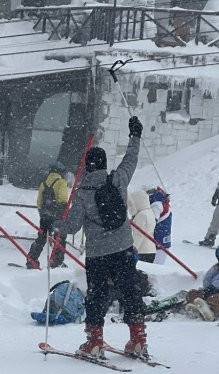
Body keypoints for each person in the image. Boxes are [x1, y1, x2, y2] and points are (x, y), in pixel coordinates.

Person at [57, 116, 147, 358]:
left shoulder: (83, 191)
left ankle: (95, 342)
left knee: (97, 295)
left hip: (98, 254)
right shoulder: (118, 180)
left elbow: (72, 226)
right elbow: (131, 160)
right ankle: (138, 338)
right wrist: (135, 135)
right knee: (130, 290)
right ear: (105, 165)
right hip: (124, 248)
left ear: (88, 166)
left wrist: (54, 225)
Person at [27, 162, 68, 268]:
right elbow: (63, 200)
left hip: (45, 216)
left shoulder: (43, 183)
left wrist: (43, 214)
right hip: (57, 217)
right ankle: (56, 262)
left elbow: (39, 202)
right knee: (59, 238)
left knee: (41, 238)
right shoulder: (61, 182)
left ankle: (32, 259)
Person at [128, 189, 157, 263]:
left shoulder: (141, 215)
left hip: (142, 250)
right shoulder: (150, 212)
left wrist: (132, 250)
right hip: (151, 249)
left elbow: (139, 235)